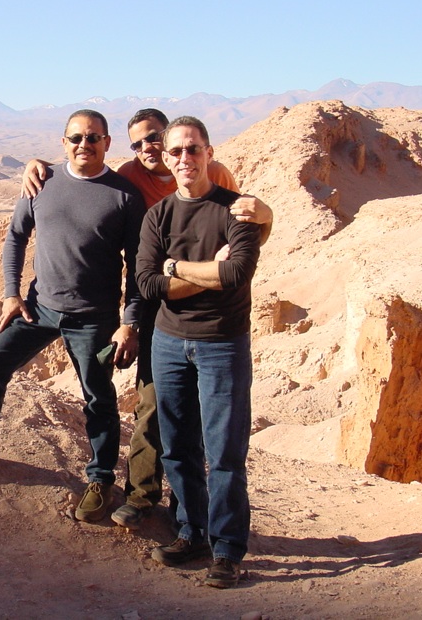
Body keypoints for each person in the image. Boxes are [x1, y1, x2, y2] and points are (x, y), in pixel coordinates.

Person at [21, 108, 273, 529]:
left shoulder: (213, 172)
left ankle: (205, 524)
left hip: (215, 320)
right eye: (137, 144)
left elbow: (243, 237)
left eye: (155, 138)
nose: (148, 149)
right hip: (159, 308)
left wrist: (267, 215)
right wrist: (38, 165)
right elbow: (87, 176)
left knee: (215, 428)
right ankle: (142, 495)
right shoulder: (130, 178)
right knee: (154, 404)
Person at [0, 109, 145, 523]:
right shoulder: (41, 181)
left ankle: (100, 479)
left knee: (98, 398)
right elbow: (15, 237)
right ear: (63, 142)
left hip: (94, 318)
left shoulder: (125, 195)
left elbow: (139, 265)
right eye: (76, 138)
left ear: (107, 143)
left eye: (93, 138)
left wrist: (129, 321)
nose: (84, 145)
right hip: (39, 308)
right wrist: (10, 294)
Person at [136, 115, 260, 589]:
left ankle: (227, 549)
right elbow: (149, 284)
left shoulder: (237, 210)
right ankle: (191, 531)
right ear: (166, 159)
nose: (185, 158)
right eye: (176, 151)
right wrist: (203, 268)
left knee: (225, 451)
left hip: (223, 343)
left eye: (193, 149)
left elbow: (236, 274)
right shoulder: (159, 215)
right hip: (168, 342)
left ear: (209, 152)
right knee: (178, 447)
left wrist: (174, 268)